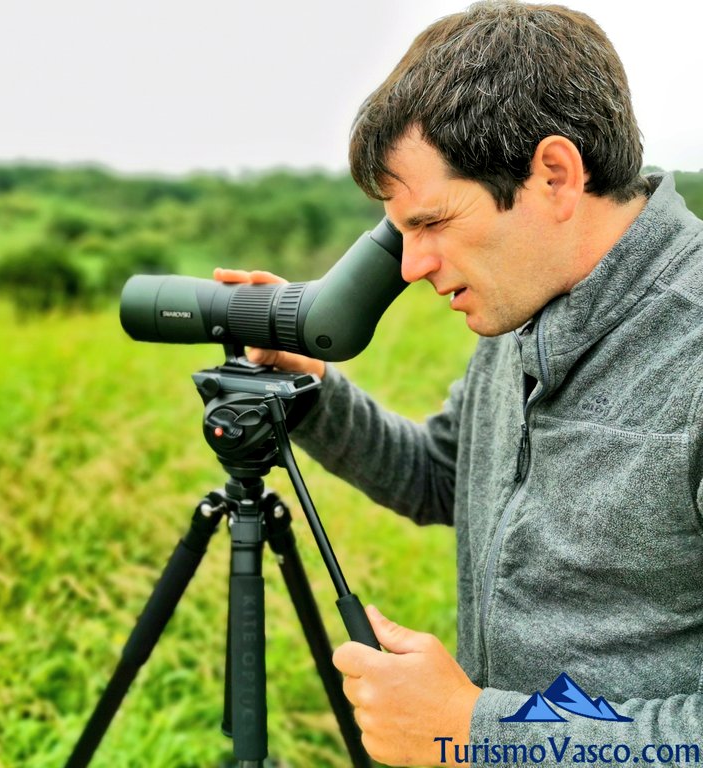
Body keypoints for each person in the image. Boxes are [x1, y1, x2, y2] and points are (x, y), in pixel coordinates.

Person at [216, 2, 703, 765]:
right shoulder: (528, 304)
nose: (412, 266)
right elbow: (446, 477)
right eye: (400, 232)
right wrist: (311, 391)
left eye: (432, 222)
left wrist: (476, 733)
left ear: (554, 176)